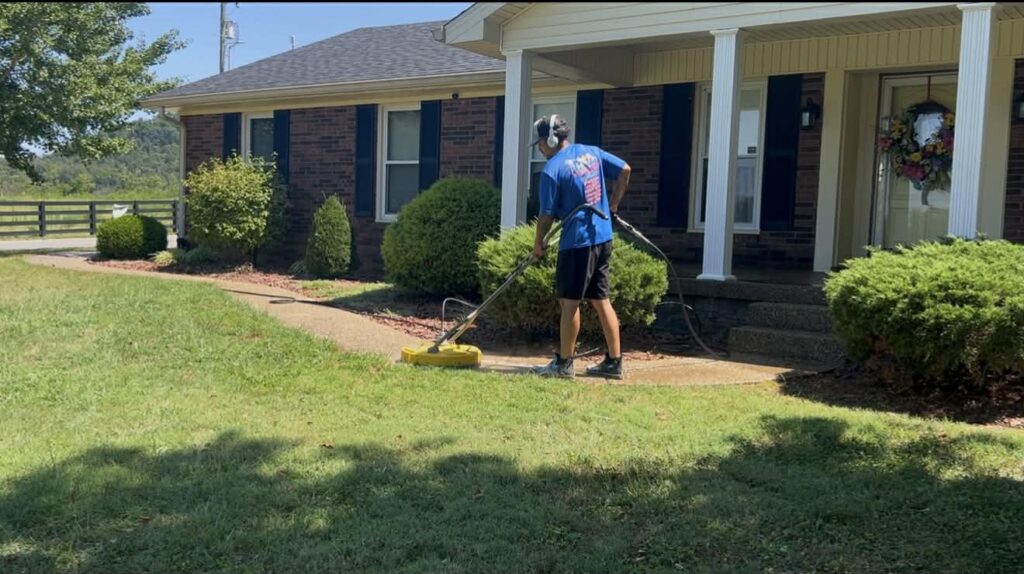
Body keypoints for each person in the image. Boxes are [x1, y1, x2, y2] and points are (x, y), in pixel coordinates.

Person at [529, 114, 631, 379]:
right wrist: (613, 204)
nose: (540, 148)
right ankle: (614, 362)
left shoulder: (552, 170)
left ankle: (564, 364)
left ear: (551, 140)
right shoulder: (592, 153)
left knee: (569, 303)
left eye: (540, 143)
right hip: (603, 237)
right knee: (601, 300)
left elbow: (547, 215)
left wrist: (538, 243)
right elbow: (625, 169)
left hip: (576, 243)